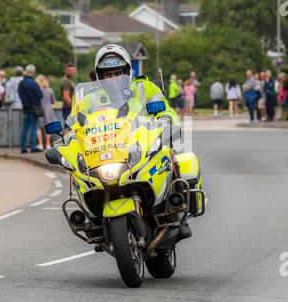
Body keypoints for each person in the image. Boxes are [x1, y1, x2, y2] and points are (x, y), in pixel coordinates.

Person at [71, 44, 190, 240]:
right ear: (100, 77)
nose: (114, 78)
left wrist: (166, 121)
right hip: (109, 149)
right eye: (108, 74)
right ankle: (93, 219)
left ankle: (177, 212)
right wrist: (69, 137)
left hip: (142, 143)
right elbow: (76, 124)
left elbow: (166, 110)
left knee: (170, 155)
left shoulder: (145, 87)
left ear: (127, 71)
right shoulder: (90, 98)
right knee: (80, 172)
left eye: (119, 73)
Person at [18, 64, 43, 153]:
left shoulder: (21, 83)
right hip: (34, 108)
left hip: (25, 107)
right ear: (33, 72)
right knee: (33, 127)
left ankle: (23, 148)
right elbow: (40, 95)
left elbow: (20, 95)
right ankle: (32, 147)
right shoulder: (34, 83)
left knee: (25, 127)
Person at [36, 75, 56, 151]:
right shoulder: (50, 90)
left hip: (39, 110)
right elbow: (53, 101)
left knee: (38, 127)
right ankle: (48, 144)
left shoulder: (37, 90)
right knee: (49, 127)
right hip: (48, 110)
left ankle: (40, 144)